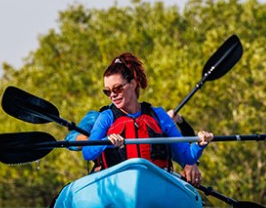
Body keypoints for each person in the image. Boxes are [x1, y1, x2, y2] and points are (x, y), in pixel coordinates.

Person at [79, 53, 212, 181]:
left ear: (133, 83)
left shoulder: (159, 115)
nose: (112, 95)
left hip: (154, 182)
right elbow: (88, 153)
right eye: (107, 91)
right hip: (118, 181)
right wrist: (106, 141)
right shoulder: (106, 117)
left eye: (117, 88)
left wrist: (200, 144)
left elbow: (187, 156)